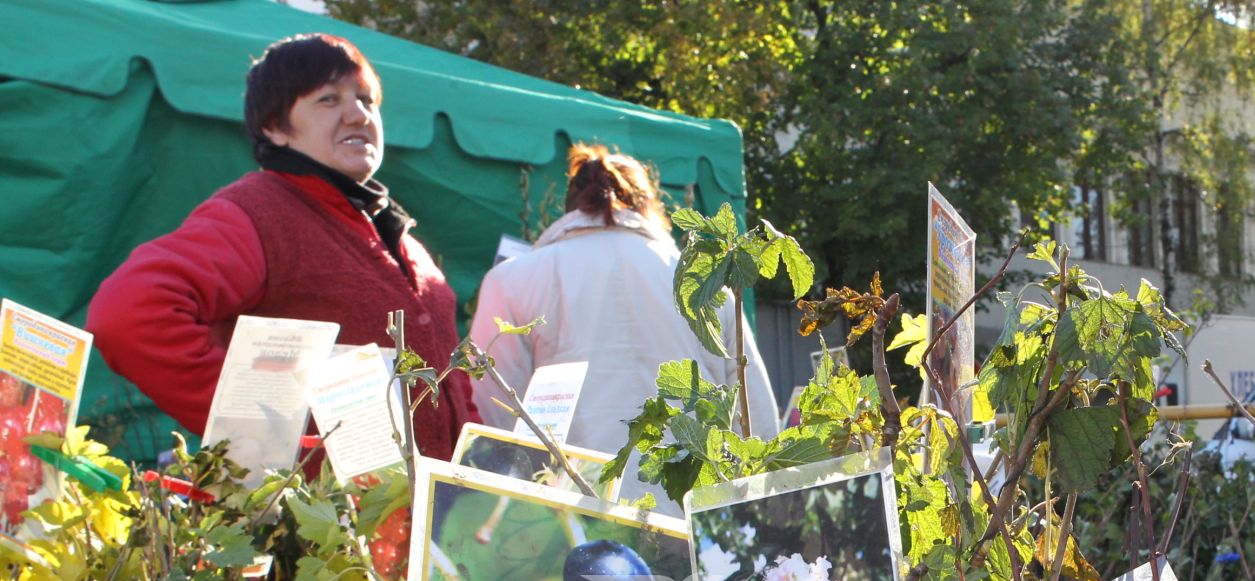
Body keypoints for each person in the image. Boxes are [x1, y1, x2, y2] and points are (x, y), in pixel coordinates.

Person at [89, 33, 474, 460]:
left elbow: (452, 384)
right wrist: (264, 436)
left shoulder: (401, 239)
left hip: (437, 518)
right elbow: (128, 313)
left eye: (366, 99)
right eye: (328, 100)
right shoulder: (258, 212)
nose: (357, 114)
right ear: (275, 127)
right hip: (322, 520)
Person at [467, 144, 779, 512]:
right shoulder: (705, 282)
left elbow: (498, 414)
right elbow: (756, 419)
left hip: (576, 518)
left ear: (571, 207)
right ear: (647, 204)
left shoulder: (512, 280)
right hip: (693, 517)